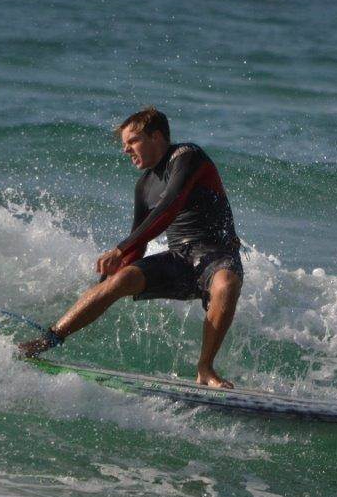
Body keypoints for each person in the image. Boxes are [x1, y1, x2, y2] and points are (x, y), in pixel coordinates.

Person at [18, 107, 243, 388]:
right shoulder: (144, 186)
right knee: (121, 279)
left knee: (226, 283)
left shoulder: (187, 156)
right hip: (179, 261)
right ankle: (47, 340)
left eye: (133, 141)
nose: (126, 150)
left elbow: (169, 206)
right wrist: (111, 277)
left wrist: (120, 249)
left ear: (157, 136)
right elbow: (139, 240)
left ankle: (205, 368)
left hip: (217, 255)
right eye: (125, 144)